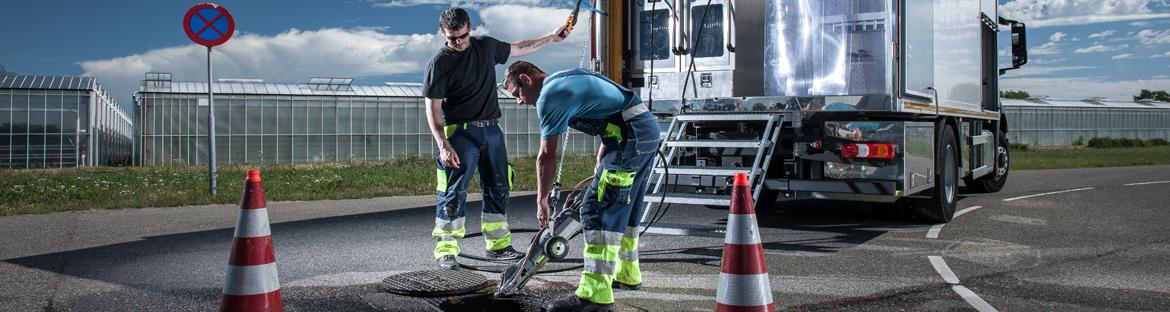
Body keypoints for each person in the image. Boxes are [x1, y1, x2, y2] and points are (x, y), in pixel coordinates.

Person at [503, 61, 660, 312]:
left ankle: (594, 295)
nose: (519, 102)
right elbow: (609, 108)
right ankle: (627, 274)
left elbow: (546, 155)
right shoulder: (566, 76)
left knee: (597, 209)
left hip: (630, 138)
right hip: (643, 131)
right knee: (625, 207)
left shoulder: (548, 97)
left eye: (517, 94)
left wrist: (541, 199)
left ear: (526, 78)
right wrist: (604, 152)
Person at [424, 7, 571, 270]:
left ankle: (498, 246)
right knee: (453, 191)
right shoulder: (440, 63)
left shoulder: (486, 47)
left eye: (462, 36)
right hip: (460, 133)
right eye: (451, 38)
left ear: (470, 27)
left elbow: (520, 48)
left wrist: (551, 37)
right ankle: (446, 250)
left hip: (492, 131)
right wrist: (443, 144)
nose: (457, 43)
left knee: (499, 188)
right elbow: (432, 108)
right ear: (442, 33)